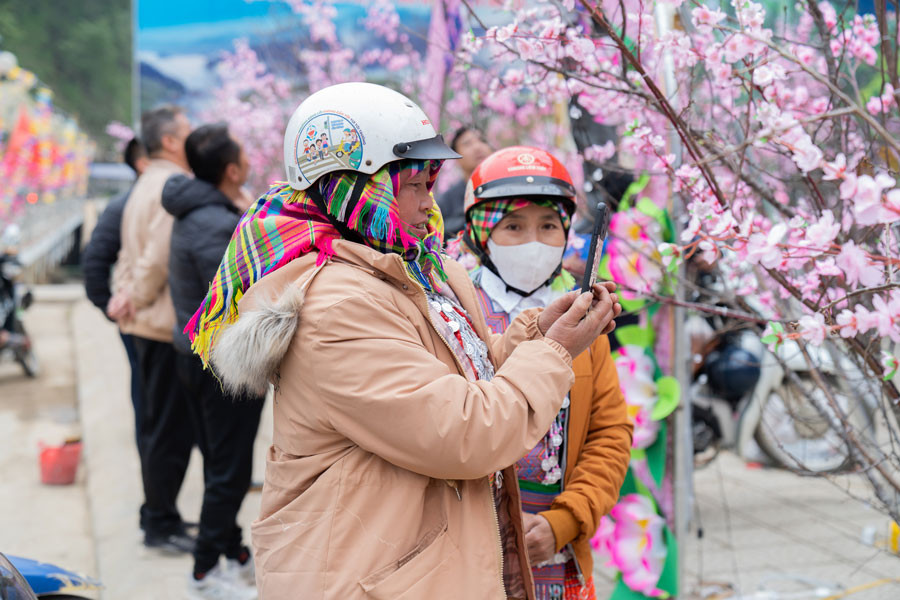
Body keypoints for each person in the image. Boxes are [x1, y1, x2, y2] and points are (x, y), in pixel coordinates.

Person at [184, 82, 621, 599]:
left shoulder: (422, 270)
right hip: (369, 576)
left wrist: (537, 332)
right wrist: (552, 354)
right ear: (355, 189)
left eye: (431, 183)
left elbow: (464, 375)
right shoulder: (337, 307)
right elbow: (465, 431)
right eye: (411, 185)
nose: (427, 203)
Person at [455, 146, 633, 599]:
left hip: (555, 552)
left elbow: (609, 432)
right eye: (513, 226)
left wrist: (564, 522)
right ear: (479, 232)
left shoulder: (584, 317)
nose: (533, 240)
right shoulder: (454, 312)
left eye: (548, 225)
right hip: (466, 546)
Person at [162, 123, 264, 599]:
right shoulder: (215, 223)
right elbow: (240, 292)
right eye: (244, 153)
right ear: (231, 169)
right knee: (229, 473)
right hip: (218, 364)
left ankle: (234, 552)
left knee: (220, 466)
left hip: (196, 359)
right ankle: (203, 572)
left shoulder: (209, 211)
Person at [108, 105, 196, 554]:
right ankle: (160, 522)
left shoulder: (146, 181)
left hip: (142, 323)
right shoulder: (172, 184)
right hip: (159, 324)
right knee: (167, 431)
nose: (194, 136)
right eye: (188, 130)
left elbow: (130, 253)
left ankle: (161, 515)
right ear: (170, 141)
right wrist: (136, 295)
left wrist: (124, 296)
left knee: (155, 426)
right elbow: (158, 256)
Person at [82, 137, 150, 446]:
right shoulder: (124, 206)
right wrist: (112, 309)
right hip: (140, 321)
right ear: (144, 163)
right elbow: (94, 265)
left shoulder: (125, 204)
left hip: (150, 321)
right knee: (147, 392)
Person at [437, 125, 492, 240]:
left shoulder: (506, 188)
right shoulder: (446, 202)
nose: (478, 147)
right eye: (467, 143)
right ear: (455, 156)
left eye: (482, 140)